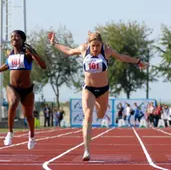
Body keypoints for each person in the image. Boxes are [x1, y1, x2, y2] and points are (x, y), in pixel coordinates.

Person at [48, 31, 148, 161]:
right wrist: (54, 43)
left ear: (102, 44)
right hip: (88, 89)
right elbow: (68, 51)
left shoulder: (107, 51)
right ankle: (86, 150)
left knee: (100, 115)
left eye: (98, 45)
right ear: (89, 44)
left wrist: (138, 61)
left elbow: (123, 58)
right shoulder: (83, 49)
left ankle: (95, 102)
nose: (95, 49)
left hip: (103, 90)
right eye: (93, 45)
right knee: (88, 116)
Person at [0, 30, 46, 149]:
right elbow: (6, 66)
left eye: (17, 36)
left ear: (22, 39)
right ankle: (9, 133)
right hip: (13, 87)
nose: (13, 38)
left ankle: (31, 136)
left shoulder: (27, 54)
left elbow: (43, 65)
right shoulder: (10, 55)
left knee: (29, 116)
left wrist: (34, 53)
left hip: (27, 90)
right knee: (13, 102)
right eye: (12, 36)